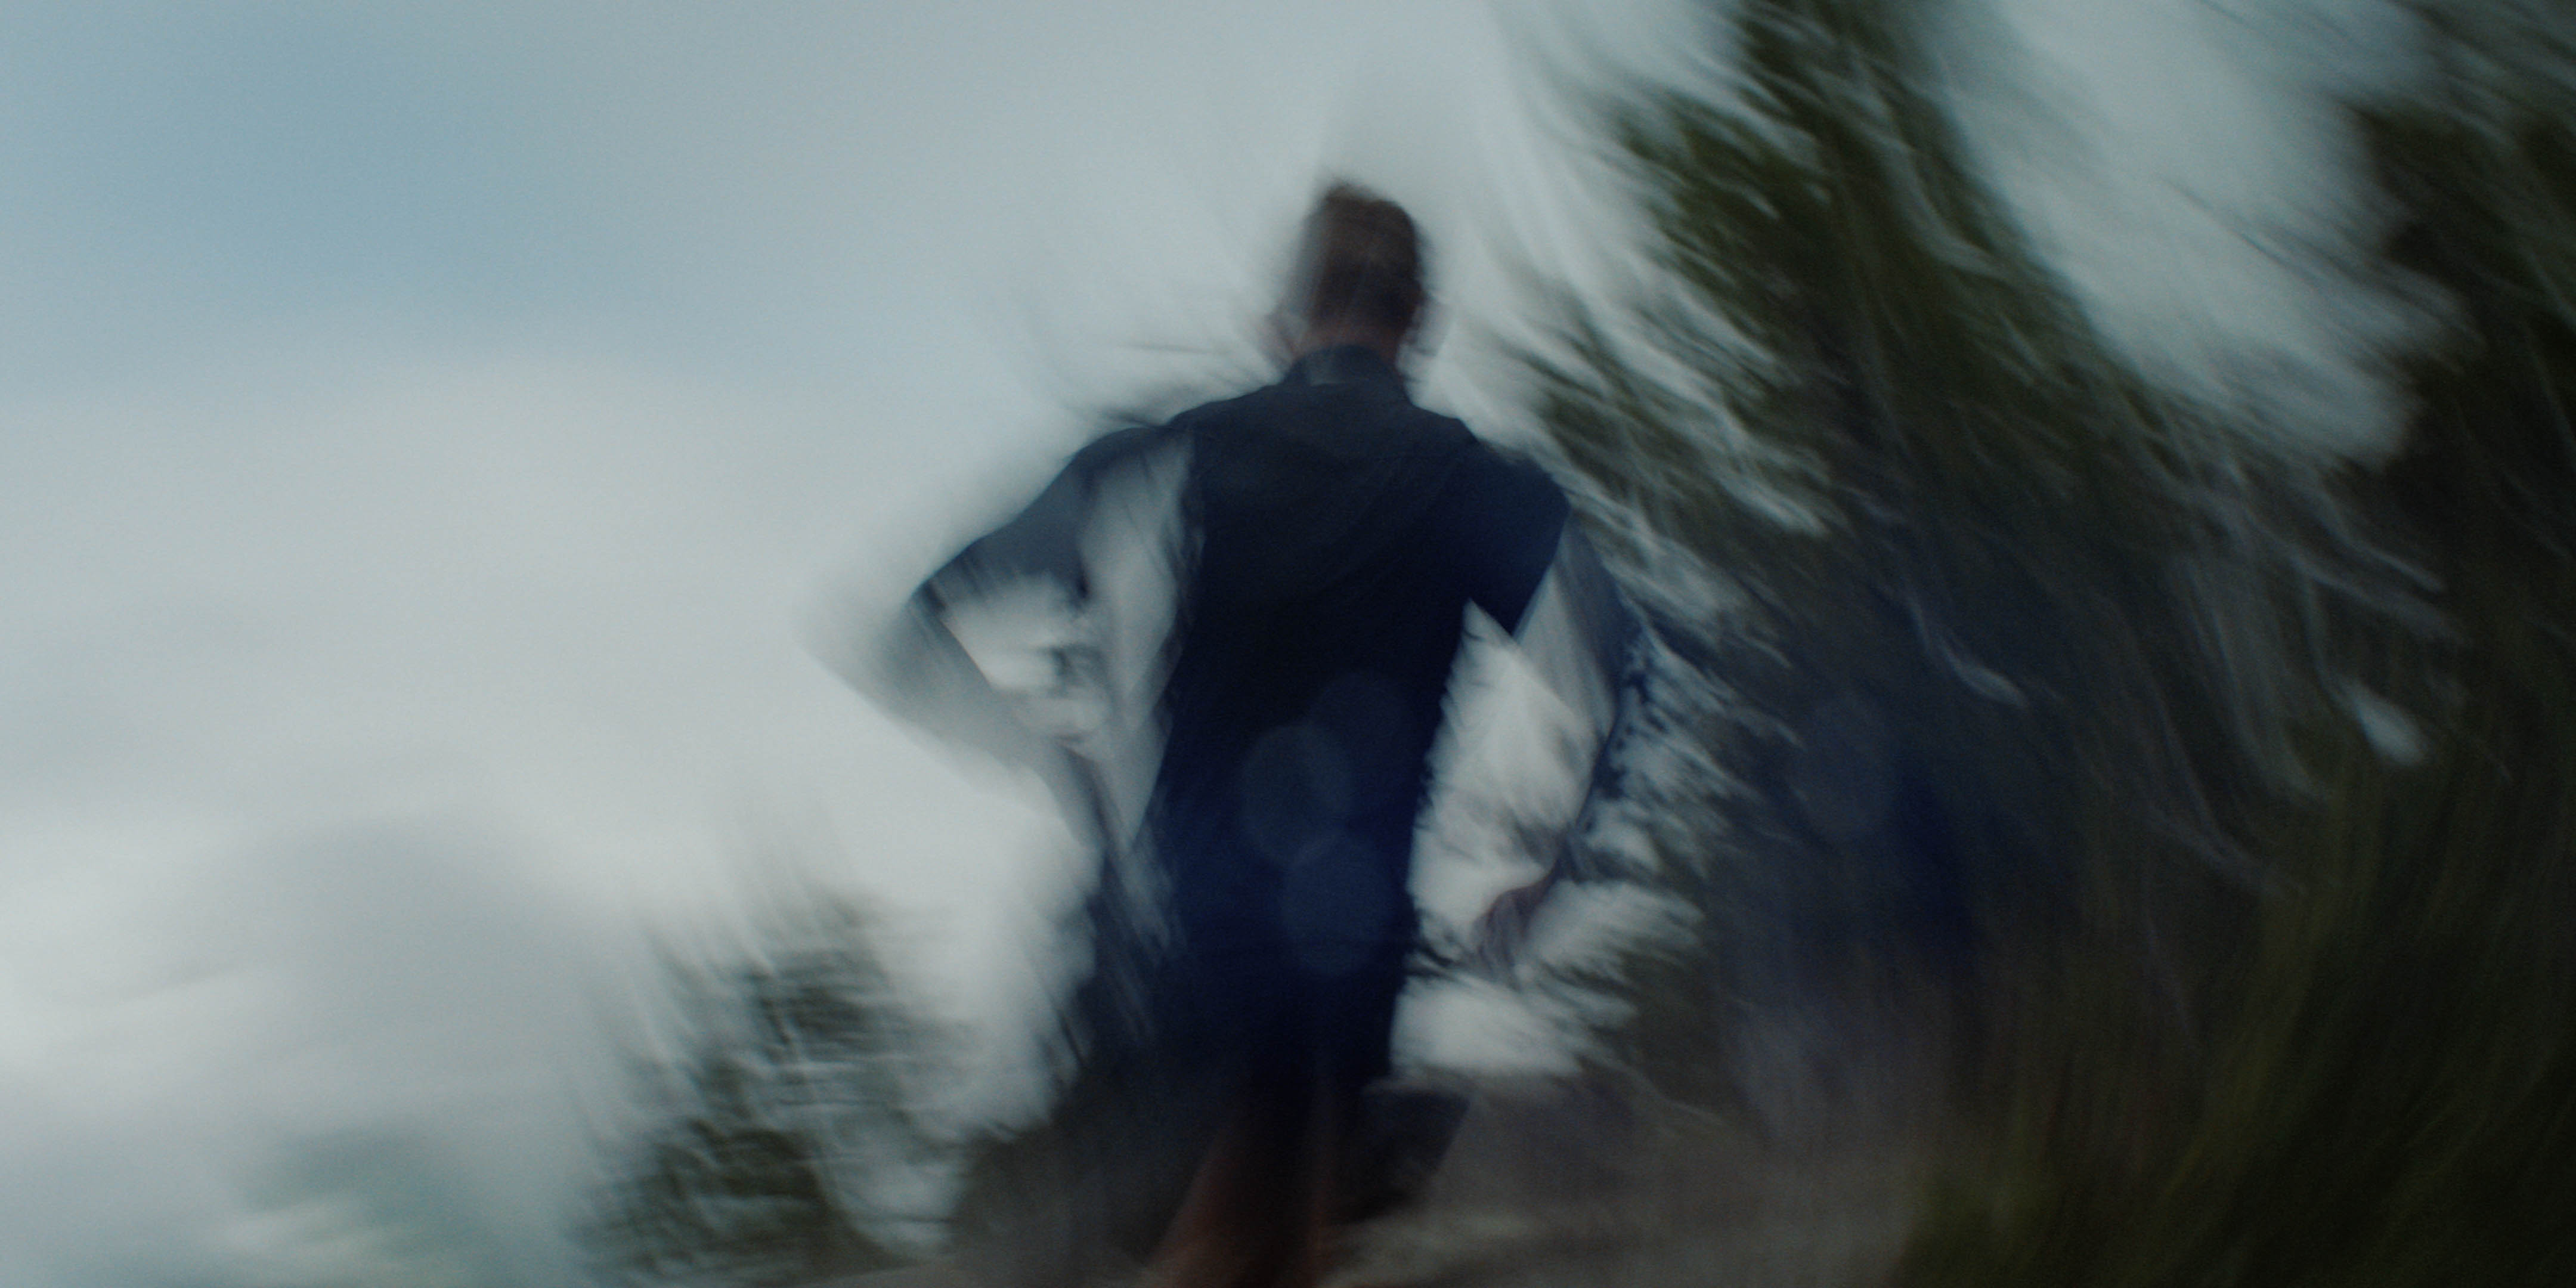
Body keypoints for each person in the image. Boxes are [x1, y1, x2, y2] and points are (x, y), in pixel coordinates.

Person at [830, 183, 1634, 1288]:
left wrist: (1067, 767)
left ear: (1284, 319)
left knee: (1222, 1242)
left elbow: (916, 626)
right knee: (1265, 1240)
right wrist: (1552, 875)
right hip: (1347, 975)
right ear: (1421, 321)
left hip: (1164, 972)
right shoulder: (1468, 482)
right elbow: (1628, 671)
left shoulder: (1167, 457)